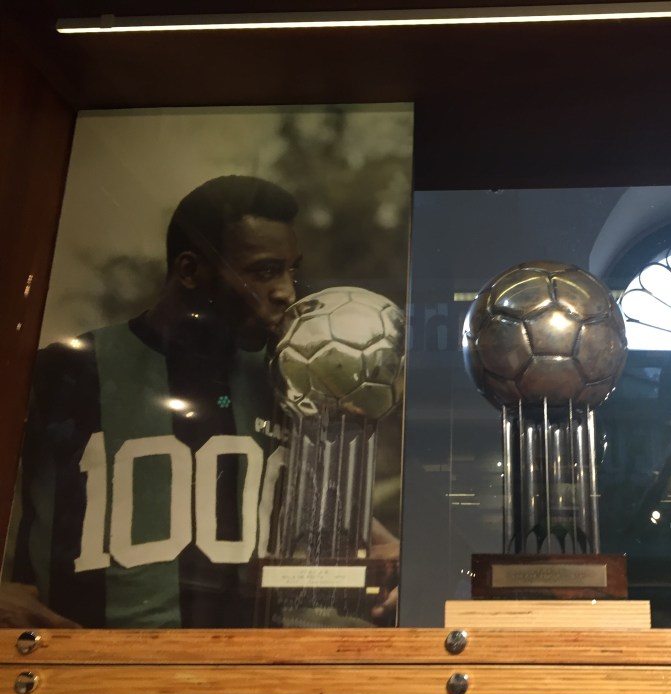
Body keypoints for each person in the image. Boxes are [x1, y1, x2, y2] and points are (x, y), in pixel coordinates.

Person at [1, 175, 398, 627]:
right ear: (190, 272)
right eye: (264, 271)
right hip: (90, 666)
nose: (286, 291)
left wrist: (396, 563)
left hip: (252, 665)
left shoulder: (287, 380)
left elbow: (345, 520)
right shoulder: (69, 370)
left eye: (291, 271)